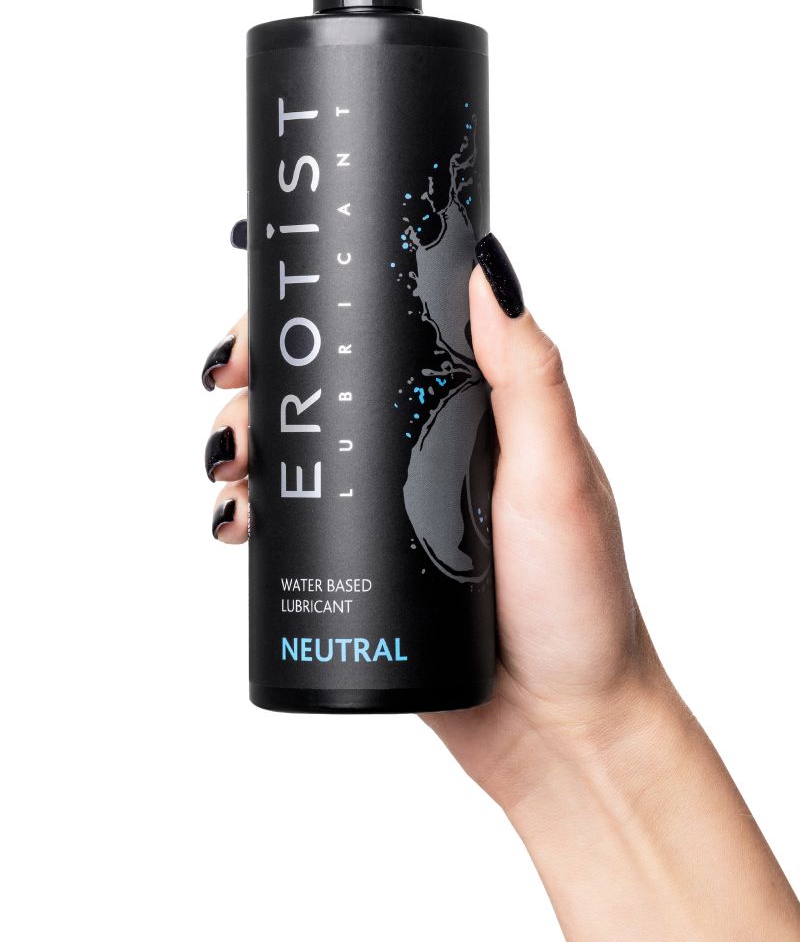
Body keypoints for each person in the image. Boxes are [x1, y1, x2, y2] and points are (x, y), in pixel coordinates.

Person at [202, 233, 800, 940]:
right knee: (304, 318)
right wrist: (579, 733)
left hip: (465, 623)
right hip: (347, 634)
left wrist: (595, 712)